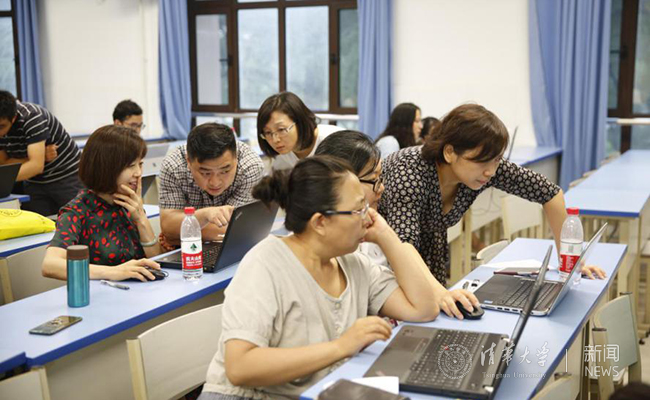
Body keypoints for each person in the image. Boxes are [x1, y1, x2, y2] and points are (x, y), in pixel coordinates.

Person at [198, 156, 439, 400]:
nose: (368, 219)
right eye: (359, 210)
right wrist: (341, 347)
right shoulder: (265, 264)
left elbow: (423, 309)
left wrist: (386, 235)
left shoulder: (352, 262)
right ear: (320, 222)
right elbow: (240, 367)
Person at [378, 103, 606, 287]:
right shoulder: (409, 172)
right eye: (482, 162)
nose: (491, 171)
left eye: (497, 160)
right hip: (383, 257)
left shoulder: (484, 167)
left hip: (425, 253)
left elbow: (550, 193)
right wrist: (438, 295)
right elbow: (402, 246)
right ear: (449, 152)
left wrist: (571, 264)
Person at [315, 130, 479, 319]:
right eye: (374, 180)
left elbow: (425, 309)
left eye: (381, 178)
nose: (381, 188)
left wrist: (385, 235)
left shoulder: (365, 245)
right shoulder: (308, 262)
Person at [41, 125, 163, 281]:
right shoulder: (77, 211)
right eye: (131, 166)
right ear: (106, 167)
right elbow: (50, 265)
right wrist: (112, 272)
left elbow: (157, 261)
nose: (138, 173)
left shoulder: (128, 202)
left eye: (140, 164)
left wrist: (141, 219)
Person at [158, 123, 264, 246]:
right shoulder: (173, 166)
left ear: (236, 158)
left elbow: (239, 229)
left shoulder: (251, 167)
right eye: (205, 173)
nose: (215, 182)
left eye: (225, 171)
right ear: (188, 162)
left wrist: (178, 236)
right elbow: (168, 226)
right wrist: (204, 215)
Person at [0, 90, 83, 216]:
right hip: (34, 182)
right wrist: (40, 157)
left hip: (66, 176)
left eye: (1, 127)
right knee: (40, 224)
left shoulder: (32, 116)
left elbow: (36, 167)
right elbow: (5, 164)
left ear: (13, 118)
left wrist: (4, 180)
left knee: (77, 220)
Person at [257, 92, 341, 171]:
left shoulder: (334, 140)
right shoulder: (282, 155)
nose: (275, 140)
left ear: (300, 122)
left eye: (281, 129)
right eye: (268, 132)